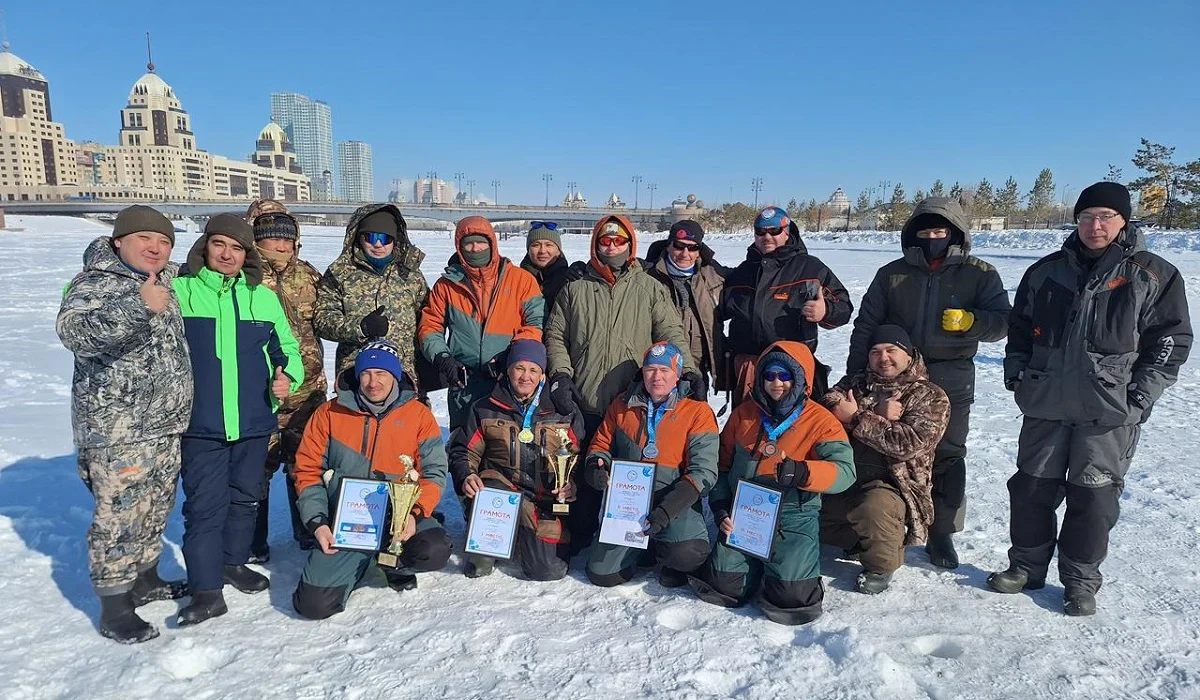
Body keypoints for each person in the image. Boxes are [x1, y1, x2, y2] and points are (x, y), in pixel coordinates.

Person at [990, 182, 1191, 616]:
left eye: (1105, 217)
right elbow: (1019, 331)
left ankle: (1080, 582)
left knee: (1093, 498)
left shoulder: (1152, 274)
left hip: (1109, 412)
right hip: (1046, 403)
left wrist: (1139, 396)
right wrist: (1017, 375)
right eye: (1086, 217)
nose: (1094, 226)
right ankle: (1026, 565)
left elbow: (1171, 341)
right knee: (1030, 489)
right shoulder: (1045, 272)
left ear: (1123, 222)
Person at [846, 197, 1011, 569]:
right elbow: (867, 325)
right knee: (883, 446)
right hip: (894, 374)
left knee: (948, 453)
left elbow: (1003, 322)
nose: (933, 237)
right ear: (912, 235)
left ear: (955, 233)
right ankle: (887, 523)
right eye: (925, 231)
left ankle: (942, 532)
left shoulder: (979, 273)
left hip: (951, 373)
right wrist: (857, 373)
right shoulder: (892, 274)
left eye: (940, 231)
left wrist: (972, 321)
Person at [56, 205, 193, 643]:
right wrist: (138, 306)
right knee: (118, 515)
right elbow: (74, 333)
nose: (155, 248)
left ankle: (145, 577)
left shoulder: (164, 281)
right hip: (118, 430)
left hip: (163, 423)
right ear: (119, 242)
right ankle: (115, 605)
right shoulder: (94, 283)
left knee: (154, 506)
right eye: (145, 239)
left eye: (164, 241)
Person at [172, 213, 304, 626]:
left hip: (253, 420)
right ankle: (206, 589)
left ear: (247, 254)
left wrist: (288, 378)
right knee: (205, 507)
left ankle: (233, 562)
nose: (227, 254)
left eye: (236, 248)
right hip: (201, 424)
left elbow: (287, 349)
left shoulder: (260, 297)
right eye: (219, 245)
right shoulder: (179, 292)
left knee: (245, 498)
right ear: (205, 247)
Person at [544, 215, 699, 546]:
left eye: (618, 241)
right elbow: (556, 334)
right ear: (595, 244)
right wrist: (560, 373)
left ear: (630, 245)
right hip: (583, 397)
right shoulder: (575, 289)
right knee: (583, 468)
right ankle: (581, 530)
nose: (611, 246)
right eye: (605, 240)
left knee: (626, 470)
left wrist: (688, 369)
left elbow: (670, 332)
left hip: (631, 403)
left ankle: (632, 533)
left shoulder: (650, 288)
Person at [691, 341, 855, 624]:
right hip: (745, 513)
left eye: (785, 375)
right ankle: (754, 567)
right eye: (769, 375)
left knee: (791, 598)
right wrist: (720, 508)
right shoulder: (743, 415)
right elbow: (722, 464)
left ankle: (787, 568)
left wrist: (805, 473)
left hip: (794, 515)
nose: (776, 382)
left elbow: (844, 472)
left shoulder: (821, 421)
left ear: (800, 378)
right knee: (723, 583)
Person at [292, 341, 452, 619]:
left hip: (397, 518)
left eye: (381, 374)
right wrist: (317, 523)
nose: (372, 382)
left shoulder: (419, 416)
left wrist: (415, 513)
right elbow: (307, 470)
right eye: (366, 373)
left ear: (395, 377)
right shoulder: (329, 414)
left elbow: (434, 473)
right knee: (313, 605)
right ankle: (362, 561)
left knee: (434, 549)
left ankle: (391, 562)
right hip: (345, 522)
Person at [820, 325, 950, 594]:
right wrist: (875, 411)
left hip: (891, 485)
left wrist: (856, 417)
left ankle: (881, 564)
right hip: (845, 474)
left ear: (908, 354)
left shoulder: (929, 395)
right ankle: (856, 540)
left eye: (891, 350)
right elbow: (827, 404)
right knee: (803, 504)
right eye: (876, 352)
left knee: (874, 508)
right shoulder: (855, 383)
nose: (884, 358)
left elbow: (907, 444)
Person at [582, 342, 718, 589]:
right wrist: (596, 467)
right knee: (602, 574)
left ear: (677, 375)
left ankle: (666, 550)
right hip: (629, 505)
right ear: (642, 373)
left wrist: (665, 512)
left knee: (687, 553)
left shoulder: (698, 412)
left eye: (665, 371)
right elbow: (600, 445)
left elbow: (704, 472)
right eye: (650, 370)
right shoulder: (622, 405)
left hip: (674, 501)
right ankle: (642, 548)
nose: (657, 377)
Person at [448, 339, 586, 580]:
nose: (525, 377)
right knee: (488, 487)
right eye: (519, 368)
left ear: (542, 375)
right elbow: (463, 451)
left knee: (546, 570)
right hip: (502, 489)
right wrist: (467, 474)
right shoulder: (485, 408)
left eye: (533, 370)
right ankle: (486, 549)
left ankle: (524, 534)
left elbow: (578, 456)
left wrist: (572, 484)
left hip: (544, 499)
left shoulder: (563, 411)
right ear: (508, 370)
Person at [245, 199, 328, 562]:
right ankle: (253, 541)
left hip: (307, 393)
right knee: (255, 470)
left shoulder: (308, 276)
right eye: (270, 239)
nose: (280, 246)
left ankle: (308, 531)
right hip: (258, 394)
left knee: (304, 466)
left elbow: (326, 320)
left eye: (286, 239)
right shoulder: (242, 276)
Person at [418, 216, 544, 430]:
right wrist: (442, 356)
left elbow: (535, 324)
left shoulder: (521, 280)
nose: (475, 248)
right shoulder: (446, 286)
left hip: (506, 380)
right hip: (462, 383)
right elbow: (430, 326)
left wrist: (513, 355)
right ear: (459, 246)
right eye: (468, 243)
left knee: (503, 444)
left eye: (481, 242)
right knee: (463, 445)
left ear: (492, 243)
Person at [720, 205, 852, 405]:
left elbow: (843, 306)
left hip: (791, 367)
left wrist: (825, 311)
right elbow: (718, 305)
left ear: (787, 231)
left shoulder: (809, 267)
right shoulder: (744, 271)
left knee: (793, 429)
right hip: (749, 368)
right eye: (760, 232)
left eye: (774, 231)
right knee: (747, 429)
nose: (767, 237)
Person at [313, 203, 429, 379]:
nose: (377, 244)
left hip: (405, 372)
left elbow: (429, 317)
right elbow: (322, 319)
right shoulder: (340, 273)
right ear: (359, 237)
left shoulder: (411, 274)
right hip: (357, 372)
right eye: (371, 237)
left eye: (385, 238)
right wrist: (360, 327)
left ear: (395, 240)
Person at [643, 219, 728, 402]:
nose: (685, 253)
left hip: (697, 373)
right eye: (679, 246)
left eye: (692, 248)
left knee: (694, 424)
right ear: (668, 246)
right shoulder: (647, 276)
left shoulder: (714, 276)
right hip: (659, 373)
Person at [519, 220, 583, 314]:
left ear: (558, 250)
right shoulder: (517, 280)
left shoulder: (569, 279)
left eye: (549, 245)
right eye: (536, 245)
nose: (542, 251)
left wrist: (584, 272)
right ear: (528, 250)